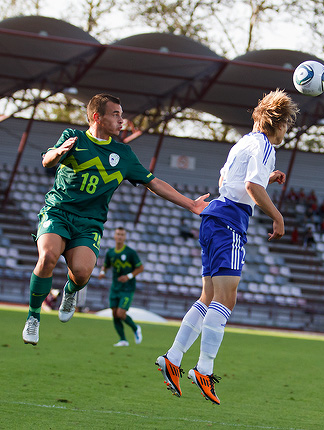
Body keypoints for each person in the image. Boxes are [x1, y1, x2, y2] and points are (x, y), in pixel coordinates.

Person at [21, 93, 209, 346]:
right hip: (58, 212)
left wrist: (191, 204)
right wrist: (58, 153)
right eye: (116, 114)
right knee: (47, 257)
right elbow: (47, 160)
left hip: (89, 223)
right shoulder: (72, 138)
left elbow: (154, 183)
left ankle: (70, 291)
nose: (122, 120)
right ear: (97, 117)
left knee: (81, 273)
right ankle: (34, 317)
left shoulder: (123, 154)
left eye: (121, 114)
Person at [156, 89, 298, 405]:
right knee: (226, 299)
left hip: (213, 216)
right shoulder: (264, 145)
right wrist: (277, 216)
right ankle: (204, 369)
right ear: (277, 123)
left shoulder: (244, 142)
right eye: (287, 124)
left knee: (208, 296)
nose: (286, 130)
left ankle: (173, 357)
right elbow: (249, 186)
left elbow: (229, 180)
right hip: (230, 222)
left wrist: (267, 177)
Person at [98, 226, 144, 347]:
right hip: (115, 287)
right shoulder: (111, 253)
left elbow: (140, 268)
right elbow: (106, 265)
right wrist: (102, 272)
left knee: (121, 314)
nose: (119, 237)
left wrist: (128, 276)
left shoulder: (130, 253)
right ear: (114, 236)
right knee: (114, 314)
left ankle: (135, 328)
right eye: (118, 234)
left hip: (127, 288)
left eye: (122, 235)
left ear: (125, 237)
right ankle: (123, 340)